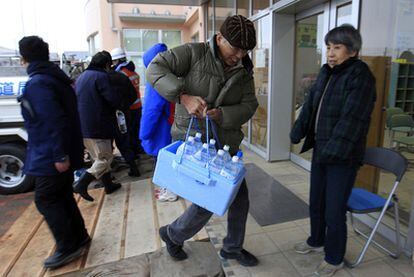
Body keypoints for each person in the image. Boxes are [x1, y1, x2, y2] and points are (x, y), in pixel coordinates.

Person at [146, 15, 259, 266]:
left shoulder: (244, 70)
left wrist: (223, 115)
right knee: (210, 199)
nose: (240, 55)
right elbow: (154, 68)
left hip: (224, 144)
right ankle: (173, 234)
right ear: (219, 39)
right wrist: (183, 96)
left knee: (238, 197)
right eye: (236, 47)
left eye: (245, 50)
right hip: (195, 142)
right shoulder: (193, 53)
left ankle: (230, 248)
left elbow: (250, 104)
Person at [290, 25, 376, 277]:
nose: (331, 53)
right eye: (328, 47)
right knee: (316, 201)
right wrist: (299, 129)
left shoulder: (360, 77)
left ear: (353, 50)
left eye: (337, 48)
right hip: (322, 151)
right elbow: (311, 105)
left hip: (343, 157)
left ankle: (334, 257)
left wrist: (332, 150)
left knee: (334, 208)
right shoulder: (327, 73)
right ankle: (316, 241)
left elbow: (352, 119)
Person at [18, 36, 90, 269]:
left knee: (46, 198)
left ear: (23, 59)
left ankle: (68, 246)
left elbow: (52, 121)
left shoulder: (38, 83)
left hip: (50, 155)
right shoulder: (56, 78)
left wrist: (59, 155)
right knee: (62, 195)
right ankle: (79, 237)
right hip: (59, 150)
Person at [73, 51, 122, 201]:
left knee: (97, 158)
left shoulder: (81, 77)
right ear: (107, 64)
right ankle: (81, 184)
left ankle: (108, 185)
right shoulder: (101, 77)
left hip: (84, 126)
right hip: (99, 126)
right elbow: (112, 100)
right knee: (105, 159)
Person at [140, 43, 177, 202]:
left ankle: (169, 191)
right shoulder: (172, 75)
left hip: (161, 128)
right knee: (172, 158)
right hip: (173, 124)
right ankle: (169, 189)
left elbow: (151, 109)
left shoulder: (154, 79)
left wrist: (144, 133)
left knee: (163, 161)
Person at [101, 50, 141, 177]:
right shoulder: (131, 72)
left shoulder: (117, 75)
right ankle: (134, 159)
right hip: (133, 108)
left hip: (122, 111)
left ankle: (130, 160)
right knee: (130, 135)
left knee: (123, 137)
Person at [110, 47, 144, 158]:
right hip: (138, 106)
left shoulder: (121, 74)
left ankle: (132, 154)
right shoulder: (132, 71)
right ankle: (138, 150)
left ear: (117, 61)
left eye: (114, 61)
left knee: (128, 133)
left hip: (129, 108)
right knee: (136, 131)